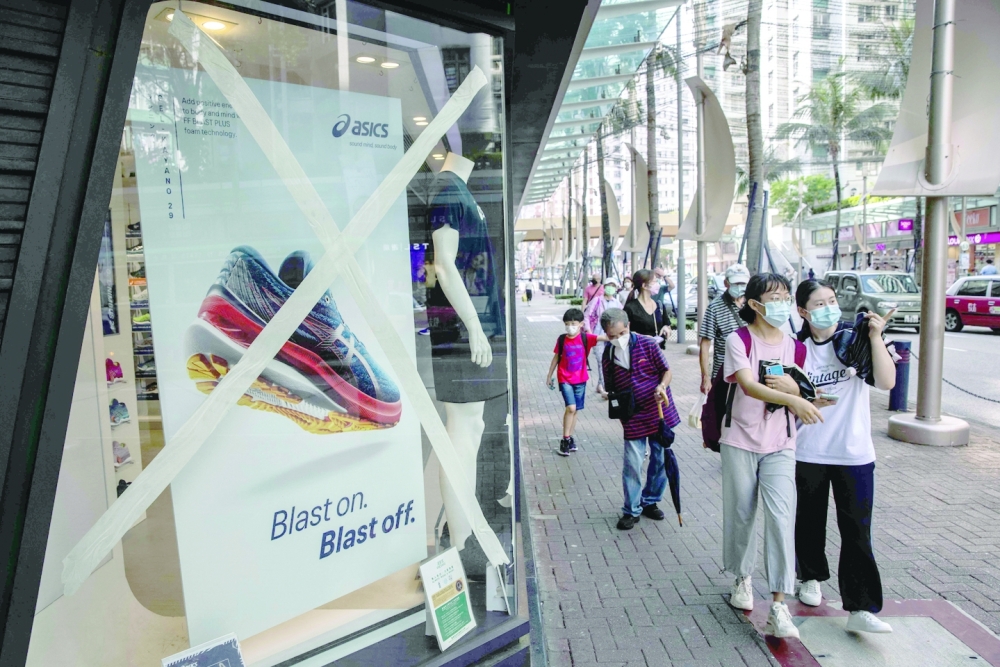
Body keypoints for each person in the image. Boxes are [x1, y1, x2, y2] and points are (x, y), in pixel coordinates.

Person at [719, 273, 823, 639]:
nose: (780, 302)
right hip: (741, 439)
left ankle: (779, 604)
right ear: (754, 304)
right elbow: (747, 384)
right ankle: (742, 579)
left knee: (781, 518)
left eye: (784, 295)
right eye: (773, 296)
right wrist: (794, 397)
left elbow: (804, 388)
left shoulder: (795, 346)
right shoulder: (739, 339)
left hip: (781, 442)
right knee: (742, 513)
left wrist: (803, 395)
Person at [790, 280, 895, 634]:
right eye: (818, 304)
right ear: (803, 311)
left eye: (831, 300)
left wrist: (877, 337)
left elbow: (887, 382)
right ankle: (810, 576)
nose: (828, 308)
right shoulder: (795, 348)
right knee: (809, 521)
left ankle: (862, 607)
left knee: (857, 531)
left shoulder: (856, 339)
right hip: (808, 451)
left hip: (854, 452)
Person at [599, 307, 681, 530]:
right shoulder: (607, 355)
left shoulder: (647, 344)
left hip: (658, 409)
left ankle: (650, 501)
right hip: (632, 415)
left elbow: (667, 371)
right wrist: (611, 398)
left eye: (621, 334)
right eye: (611, 336)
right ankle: (631, 510)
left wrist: (661, 386)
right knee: (633, 464)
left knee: (660, 460)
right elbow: (610, 387)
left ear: (628, 327)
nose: (617, 340)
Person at [546, 308, 606, 456]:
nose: (569, 327)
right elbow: (556, 358)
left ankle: (570, 437)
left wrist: (623, 333)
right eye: (567, 324)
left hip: (581, 379)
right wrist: (549, 375)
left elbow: (605, 337)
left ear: (581, 324)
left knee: (576, 409)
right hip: (564, 378)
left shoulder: (587, 338)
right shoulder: (561, 339)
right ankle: (565, 440)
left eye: (573, 323)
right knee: (571, 408)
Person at [699, 263, 750, 394]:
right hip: (724, 373)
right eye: (735, 283)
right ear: (726, 283)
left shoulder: (752, 304)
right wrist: (705, 377)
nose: (739, 287)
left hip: (750, 370)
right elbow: (705, 344)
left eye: (742, 283)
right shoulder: (715, 307)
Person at [584, 276, 622, 397]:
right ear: (604, 287)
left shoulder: (617, 303)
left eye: (613, 286)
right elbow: (587, 316)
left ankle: (601, 383)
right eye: (608, 285)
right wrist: (589, 332)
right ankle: (604, 387)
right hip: (598, 335)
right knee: (601, 360)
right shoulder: (597, 300)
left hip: (613, 336)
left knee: (611, 361)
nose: (610, 288)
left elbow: (622, 319)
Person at [623, 269, 672, 340]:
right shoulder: (630, 308)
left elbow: (667, 325)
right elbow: (622, 332)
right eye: (655, 282)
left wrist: (666, 328)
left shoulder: (659, 305)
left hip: (656, 349)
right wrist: (641, 337)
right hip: (638, 350)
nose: (658, 284)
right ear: (644, 286)